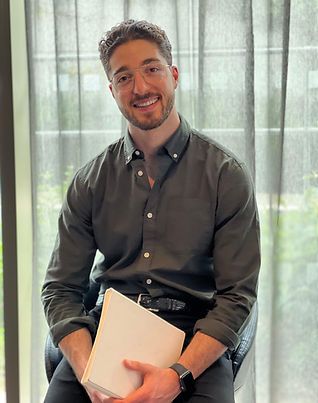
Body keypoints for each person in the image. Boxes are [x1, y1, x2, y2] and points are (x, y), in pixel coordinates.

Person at [42, 19, 260, 403]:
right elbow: (60, 289)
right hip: (108, 331)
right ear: (112, 91)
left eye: (152, 69)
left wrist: (176, 377)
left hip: (194, 340)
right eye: (124, 78)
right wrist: (90, 371)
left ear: (173, 75)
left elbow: (236, 296)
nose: (140, 87)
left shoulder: (226, 175)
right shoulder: (89, 181)